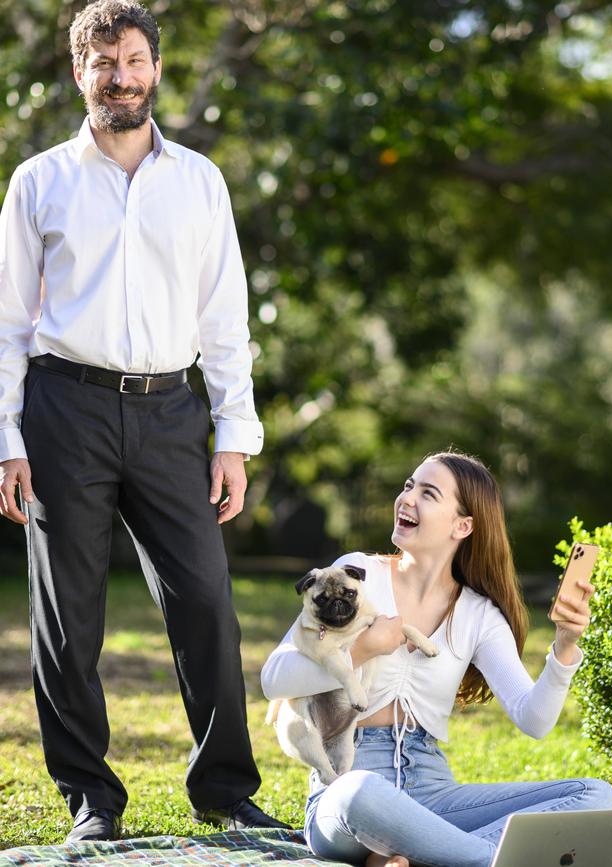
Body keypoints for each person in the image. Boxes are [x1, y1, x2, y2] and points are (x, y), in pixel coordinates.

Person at [0, 0, 290, 844]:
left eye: (132, 60)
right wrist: (6, 439)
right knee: (68, 619)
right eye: (103, 63)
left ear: (156, 68)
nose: (119, 77)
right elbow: (9, 323)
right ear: (79, 71)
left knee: (206, 599)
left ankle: (226, 790)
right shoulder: (39, 181)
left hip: (171, 411)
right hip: (63, 409)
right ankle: (92, 797)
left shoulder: (199, 180)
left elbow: (224, 316)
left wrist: (234, 433)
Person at [261, 451, 612, 867]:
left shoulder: (478, 615)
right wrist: (365, 646)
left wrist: (564, 645)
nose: (406, 499)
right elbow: (274, 679)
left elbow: (534, 720)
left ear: (462, 525)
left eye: (428, 493)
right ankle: (480, 859)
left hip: (434, 795)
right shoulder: (357, 575)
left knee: (597, 796)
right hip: (348, 793)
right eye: (409, 485)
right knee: (360, 791)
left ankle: (422, 854)